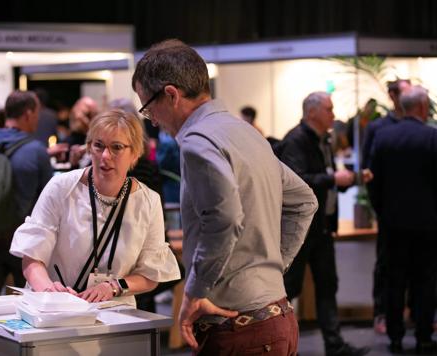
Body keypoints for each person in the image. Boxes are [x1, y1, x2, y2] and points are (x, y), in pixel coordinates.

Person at [133, 39, 318, 356]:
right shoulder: (244, 132)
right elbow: (304, 201)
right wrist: (272, 267)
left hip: (237, 330)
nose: (152, 120)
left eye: (148, 108)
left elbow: (225, 218)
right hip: (277, 319)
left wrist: (195, 291)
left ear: (171, 95)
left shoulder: (196, 141)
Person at [10, 109, 180, 305]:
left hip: (113, 313)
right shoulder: (61, 187)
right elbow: (31, 256)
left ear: (134, 153)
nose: (105, 155)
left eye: (116, 147)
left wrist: (113, 287)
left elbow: (151, 274)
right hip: (53, 308)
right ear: (89, 148)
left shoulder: (149, 202)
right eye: (98, 145)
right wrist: (48, 290)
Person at [279, 91, 371, 356]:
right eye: (329, 109)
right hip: (299, 230)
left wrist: (349, 180)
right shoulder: (295, 140)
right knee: (289, 288)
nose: (334, 114)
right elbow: (298, 182)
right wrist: (334, 180)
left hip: (322, 228)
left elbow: (326, 178)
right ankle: (284, 346)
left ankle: (334, 344)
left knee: (327, 284)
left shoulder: (324, 140)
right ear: (312, 113)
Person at [369, 85, 437, 354]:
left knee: (395, 280)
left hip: (393, 224)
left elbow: (374, 184)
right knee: (424, 281)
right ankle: (423, 337)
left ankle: (395, 337)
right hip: (428, 225)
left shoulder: (383, 138)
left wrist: (383, 212)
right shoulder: (435, 139)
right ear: (422, 107)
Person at [0, 90, 52, 297]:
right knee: (25, 303)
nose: (37, 118)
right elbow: (50, 198)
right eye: (36, 113)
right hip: (23, 240)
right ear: (28, 114)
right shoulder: (36, 150)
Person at [361, 79, 411, 334]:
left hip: (416, 209)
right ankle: (381, 313)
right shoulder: (378, 128)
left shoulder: (420, 126)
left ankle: (413, 312)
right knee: (386, 263)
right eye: (404, 91)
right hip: (389, 208)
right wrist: (378, 204)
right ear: (392, 95)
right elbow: (368, 170)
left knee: (417, 264)